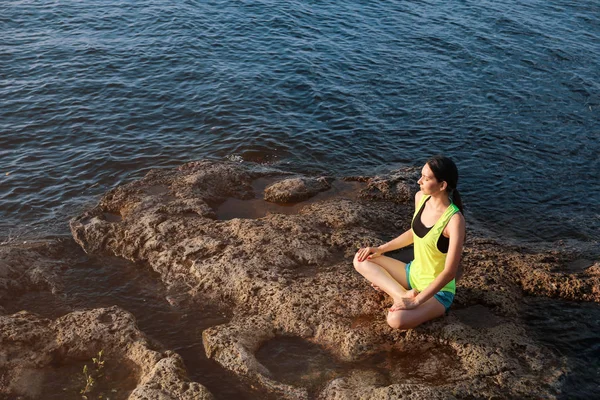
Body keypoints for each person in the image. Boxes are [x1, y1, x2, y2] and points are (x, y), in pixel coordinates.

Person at [353, 155, 465, 330]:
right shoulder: (421, 198)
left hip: (438, 292)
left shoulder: (454, 220)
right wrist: (381, 249)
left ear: (442, 185)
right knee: (361, 258)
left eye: (426, 178)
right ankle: (401, 294)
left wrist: (417, 302)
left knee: (395, 320)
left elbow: (450, 272)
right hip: (411, 273)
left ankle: (403, 296)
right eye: (421, 175)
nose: (419, 181)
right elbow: (415, 232)